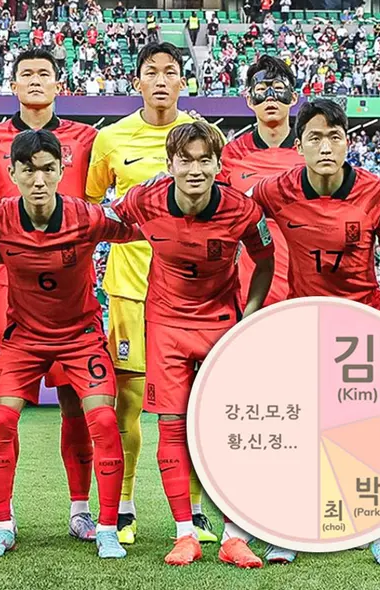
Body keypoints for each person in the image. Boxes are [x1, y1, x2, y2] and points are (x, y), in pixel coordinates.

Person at [250, 99, 380, 566]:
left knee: (366, 433)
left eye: (334, 137)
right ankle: (289, 529)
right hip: (305, 326)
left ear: (347, 143)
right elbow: (235, 213)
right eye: (315, 137)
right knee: (300, 429)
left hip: (363, 327)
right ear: (299, 145)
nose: (325, 147)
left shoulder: (376, 193)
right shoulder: (275, 191)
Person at [0, 129, 137, 560]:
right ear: (12, 172)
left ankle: (104, 527)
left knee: (101, 420)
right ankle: (2, 526)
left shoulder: (88, 216)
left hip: (80, 337)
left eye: (47, 169)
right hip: (24, 338)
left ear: (62, 170)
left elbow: (142, 228)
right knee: (0, 422)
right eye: (28, 170)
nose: (38, 180)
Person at [111, 121, 275, 568]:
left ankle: (234, 537)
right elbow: (106, 223)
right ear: (170, 165)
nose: (196, 170)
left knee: (232, 428)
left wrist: (250, 315)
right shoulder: (143, 200)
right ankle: (185, 533)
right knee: (171, 426)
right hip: (166, 324)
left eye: (205, 160)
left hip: (222, 324)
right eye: (185, 160)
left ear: (219, 165)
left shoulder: (243, 210)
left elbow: (265, 260)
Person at [86, 41, 218, 545]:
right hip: (131, 290)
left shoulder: (206, 136)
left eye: (170, 71)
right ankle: (123, 505)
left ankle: (197, 510)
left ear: (183, 81)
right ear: (137, 81)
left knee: (195, 404)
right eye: (151, 72)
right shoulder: (111, 139)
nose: (161, 80)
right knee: (130, 403)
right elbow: (93, 209)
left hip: (191, 297)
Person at [0, 48, 104, 541]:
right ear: (12, 84)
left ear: (58, 84)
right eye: (25, 73)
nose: (34, 80)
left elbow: (100, 207)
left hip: (72, 286)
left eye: (43, 73)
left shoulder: (87, 138)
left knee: (77, 404)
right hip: (13, 286)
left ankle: (81, 510)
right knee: (4, 410)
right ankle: (1, 519)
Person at [219, 55, 303, 315]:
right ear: (249, 99)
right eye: (262, 90)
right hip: (249, 297)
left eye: (278, 89)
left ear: (293, 97)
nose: (270, 97)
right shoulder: (231, 155)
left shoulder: (312, 153)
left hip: (305, 294)